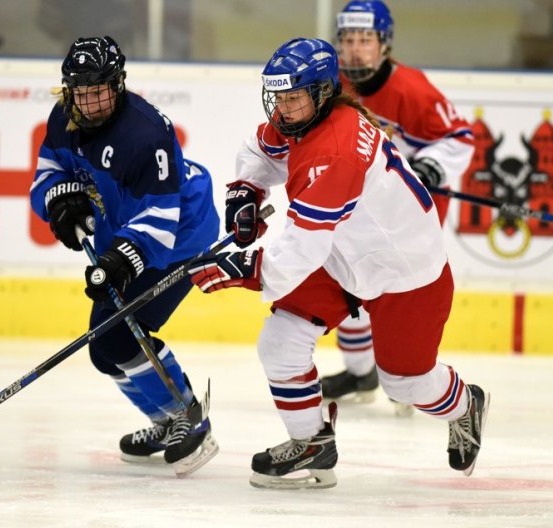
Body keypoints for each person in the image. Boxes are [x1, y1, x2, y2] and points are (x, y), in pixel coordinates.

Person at [188, 38, 489, 489]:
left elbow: (302, 250)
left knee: (405, 385)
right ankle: (312, 445)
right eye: (278, 96)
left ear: (323, 92)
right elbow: (258, 149)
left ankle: (466, 402)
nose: (283, 108)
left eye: (293, 97)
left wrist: (243, 270)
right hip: (342, 254)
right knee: (280, 342)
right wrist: (244, 193)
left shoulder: (337, 150)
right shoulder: (303, 119)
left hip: (403, 272)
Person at [29, 36, 220, 477]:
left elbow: (159, 217)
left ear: (117, 85)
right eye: (82, 92)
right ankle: (164, 420)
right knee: (103, 351)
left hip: (180, 238)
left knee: (117, 340)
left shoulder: (144, 133)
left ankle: (189, 416)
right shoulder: (64, 118)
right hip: (125, 232)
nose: (91, 102)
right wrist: (59, 199)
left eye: (100, 90)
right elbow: (49, 170)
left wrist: (119, 261)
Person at [319, 0, 475, 407]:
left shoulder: (412, 89)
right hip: (358, 208)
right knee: (347, 282)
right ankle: (360, 374)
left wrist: (431, 167)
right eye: (348, 39)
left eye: (364, 39)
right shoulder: (330, 84)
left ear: (384, 44)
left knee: (394, 295)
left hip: (407, 220)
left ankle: (412, 372)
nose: (354, 49)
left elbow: (459, 137)